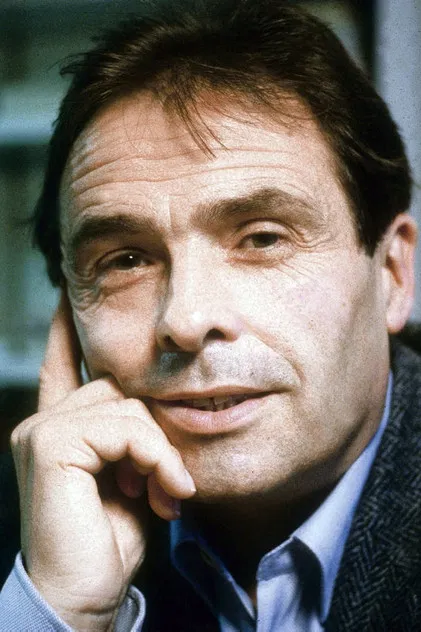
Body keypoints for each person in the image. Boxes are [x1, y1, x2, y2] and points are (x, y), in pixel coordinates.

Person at [1, 0, 421, 629]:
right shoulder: (31, 553)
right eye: (125, 261)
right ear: (70, 312)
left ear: (391, 274)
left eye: (263, 238)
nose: (186, 319)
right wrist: (61, 614)